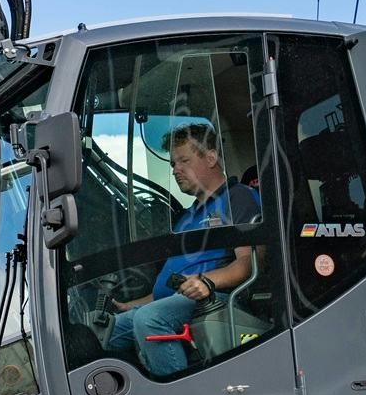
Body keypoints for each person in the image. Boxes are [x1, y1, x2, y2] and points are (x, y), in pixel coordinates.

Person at [106, 121, 261, 376]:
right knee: (108, 331)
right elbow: (172, 285)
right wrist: (133, 304)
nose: (176, 170)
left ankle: (180, 394)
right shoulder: (187, 217)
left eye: (184, 161)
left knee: (150, 319)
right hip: (175, 303)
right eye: (172, 165)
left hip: (216, 300)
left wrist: (207, 281)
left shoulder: (238, 198)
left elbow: (249, 263)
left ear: (211, 158)